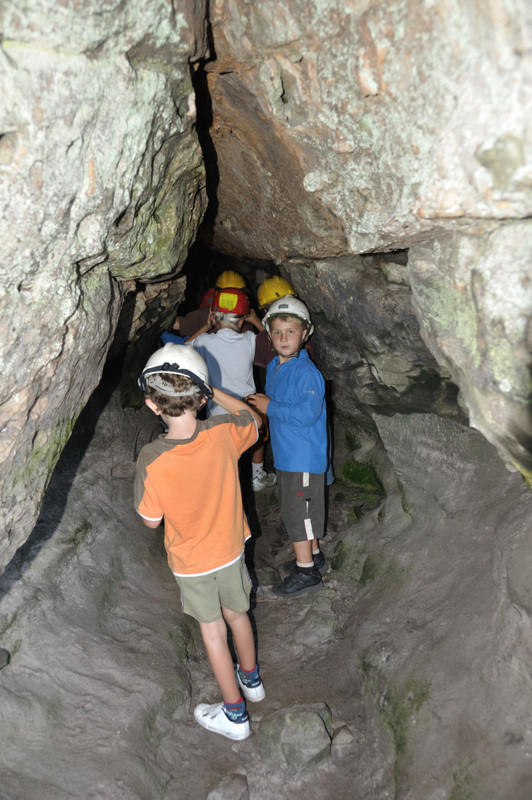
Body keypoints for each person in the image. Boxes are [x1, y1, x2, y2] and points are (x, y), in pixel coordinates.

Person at [134, 343, 266, 740]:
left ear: (152, 405)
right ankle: (252, 683)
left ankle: (235, 716)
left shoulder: (151, 458)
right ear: (201, 395)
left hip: (192, 564)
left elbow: (150, 520)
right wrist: (216, 391)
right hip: (230, 549)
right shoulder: (224, 432)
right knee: (238, 615)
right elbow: (254, 419)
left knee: (212, 631)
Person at [246, 297, 328, 599]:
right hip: (287, 455)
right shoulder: (273, 367)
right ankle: (315, 555)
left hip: (303, 457)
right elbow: (278, 406)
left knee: (298, 514)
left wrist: (271, 407)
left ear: (304, 334)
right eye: (278, 332)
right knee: (299, 511)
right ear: (269, 335)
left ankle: (307, 572)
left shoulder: (307, 373)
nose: (283, 338)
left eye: (291, 331)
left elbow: (308, 414)